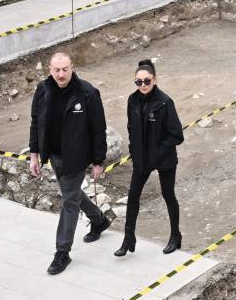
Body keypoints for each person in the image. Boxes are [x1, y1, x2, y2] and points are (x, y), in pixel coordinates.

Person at [28, 51, 113, 275]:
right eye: (56, 70)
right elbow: (36, 122)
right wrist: (34, 154)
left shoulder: (87, 93)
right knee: (72, 194)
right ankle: (99, 220)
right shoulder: (42, 90)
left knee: (69, 202)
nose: (61, 74)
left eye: (65, 69)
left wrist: (98, 161)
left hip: (76, 157)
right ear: (50, 70)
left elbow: (98, 129)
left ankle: (62, 252)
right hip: (53, 155)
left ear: (72, 67)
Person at [114, 59, 184, 258]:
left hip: (164, 158)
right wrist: (133, 150)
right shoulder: (132, 100)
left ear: (155, 80)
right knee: (133, 196)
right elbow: (131, 128)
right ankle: (128, 238)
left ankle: (175, 235)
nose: (143, 85)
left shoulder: (165, 102)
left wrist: (158, 152)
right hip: (141, 158)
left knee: (168, 195)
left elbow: (177, 135)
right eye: (139, 82)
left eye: (147, 81)